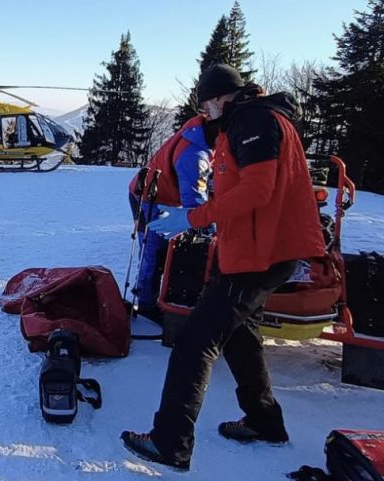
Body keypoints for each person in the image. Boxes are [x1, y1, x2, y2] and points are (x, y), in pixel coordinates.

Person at [119, 63, 325, 471]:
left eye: (205, 104)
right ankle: (264, 421)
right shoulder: (255, 120)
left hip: (258, 254)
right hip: (256, 251)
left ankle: (170, 441)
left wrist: (193, 218)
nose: (205, 113)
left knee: (196, 342)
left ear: (217, 98)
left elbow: (257, 190)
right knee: (241, 335)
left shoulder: (252, 120)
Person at [126, 112, 216, 322]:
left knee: (165, 249)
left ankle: (156, 296)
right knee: (153, 250)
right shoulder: (194, 155)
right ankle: (147, 303)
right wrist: (210, 231)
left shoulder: (202, 136)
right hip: (150, 197)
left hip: (168, 197)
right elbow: (195, 201)